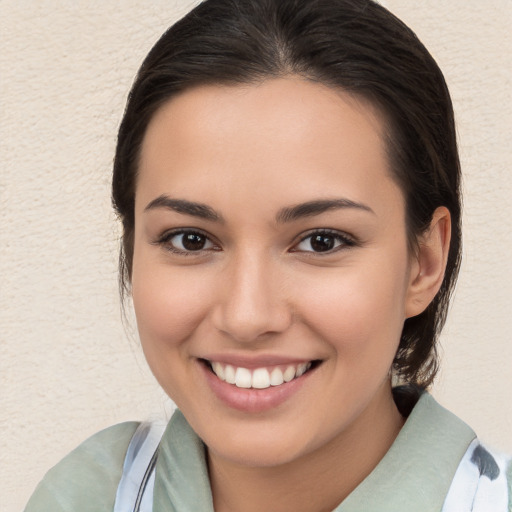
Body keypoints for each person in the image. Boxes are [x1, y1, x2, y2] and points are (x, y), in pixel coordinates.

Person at [24, 0, 511, 510]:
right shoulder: (83, 495)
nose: (247, 316)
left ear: (424, 262)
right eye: (190, 239)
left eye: (321, 241)